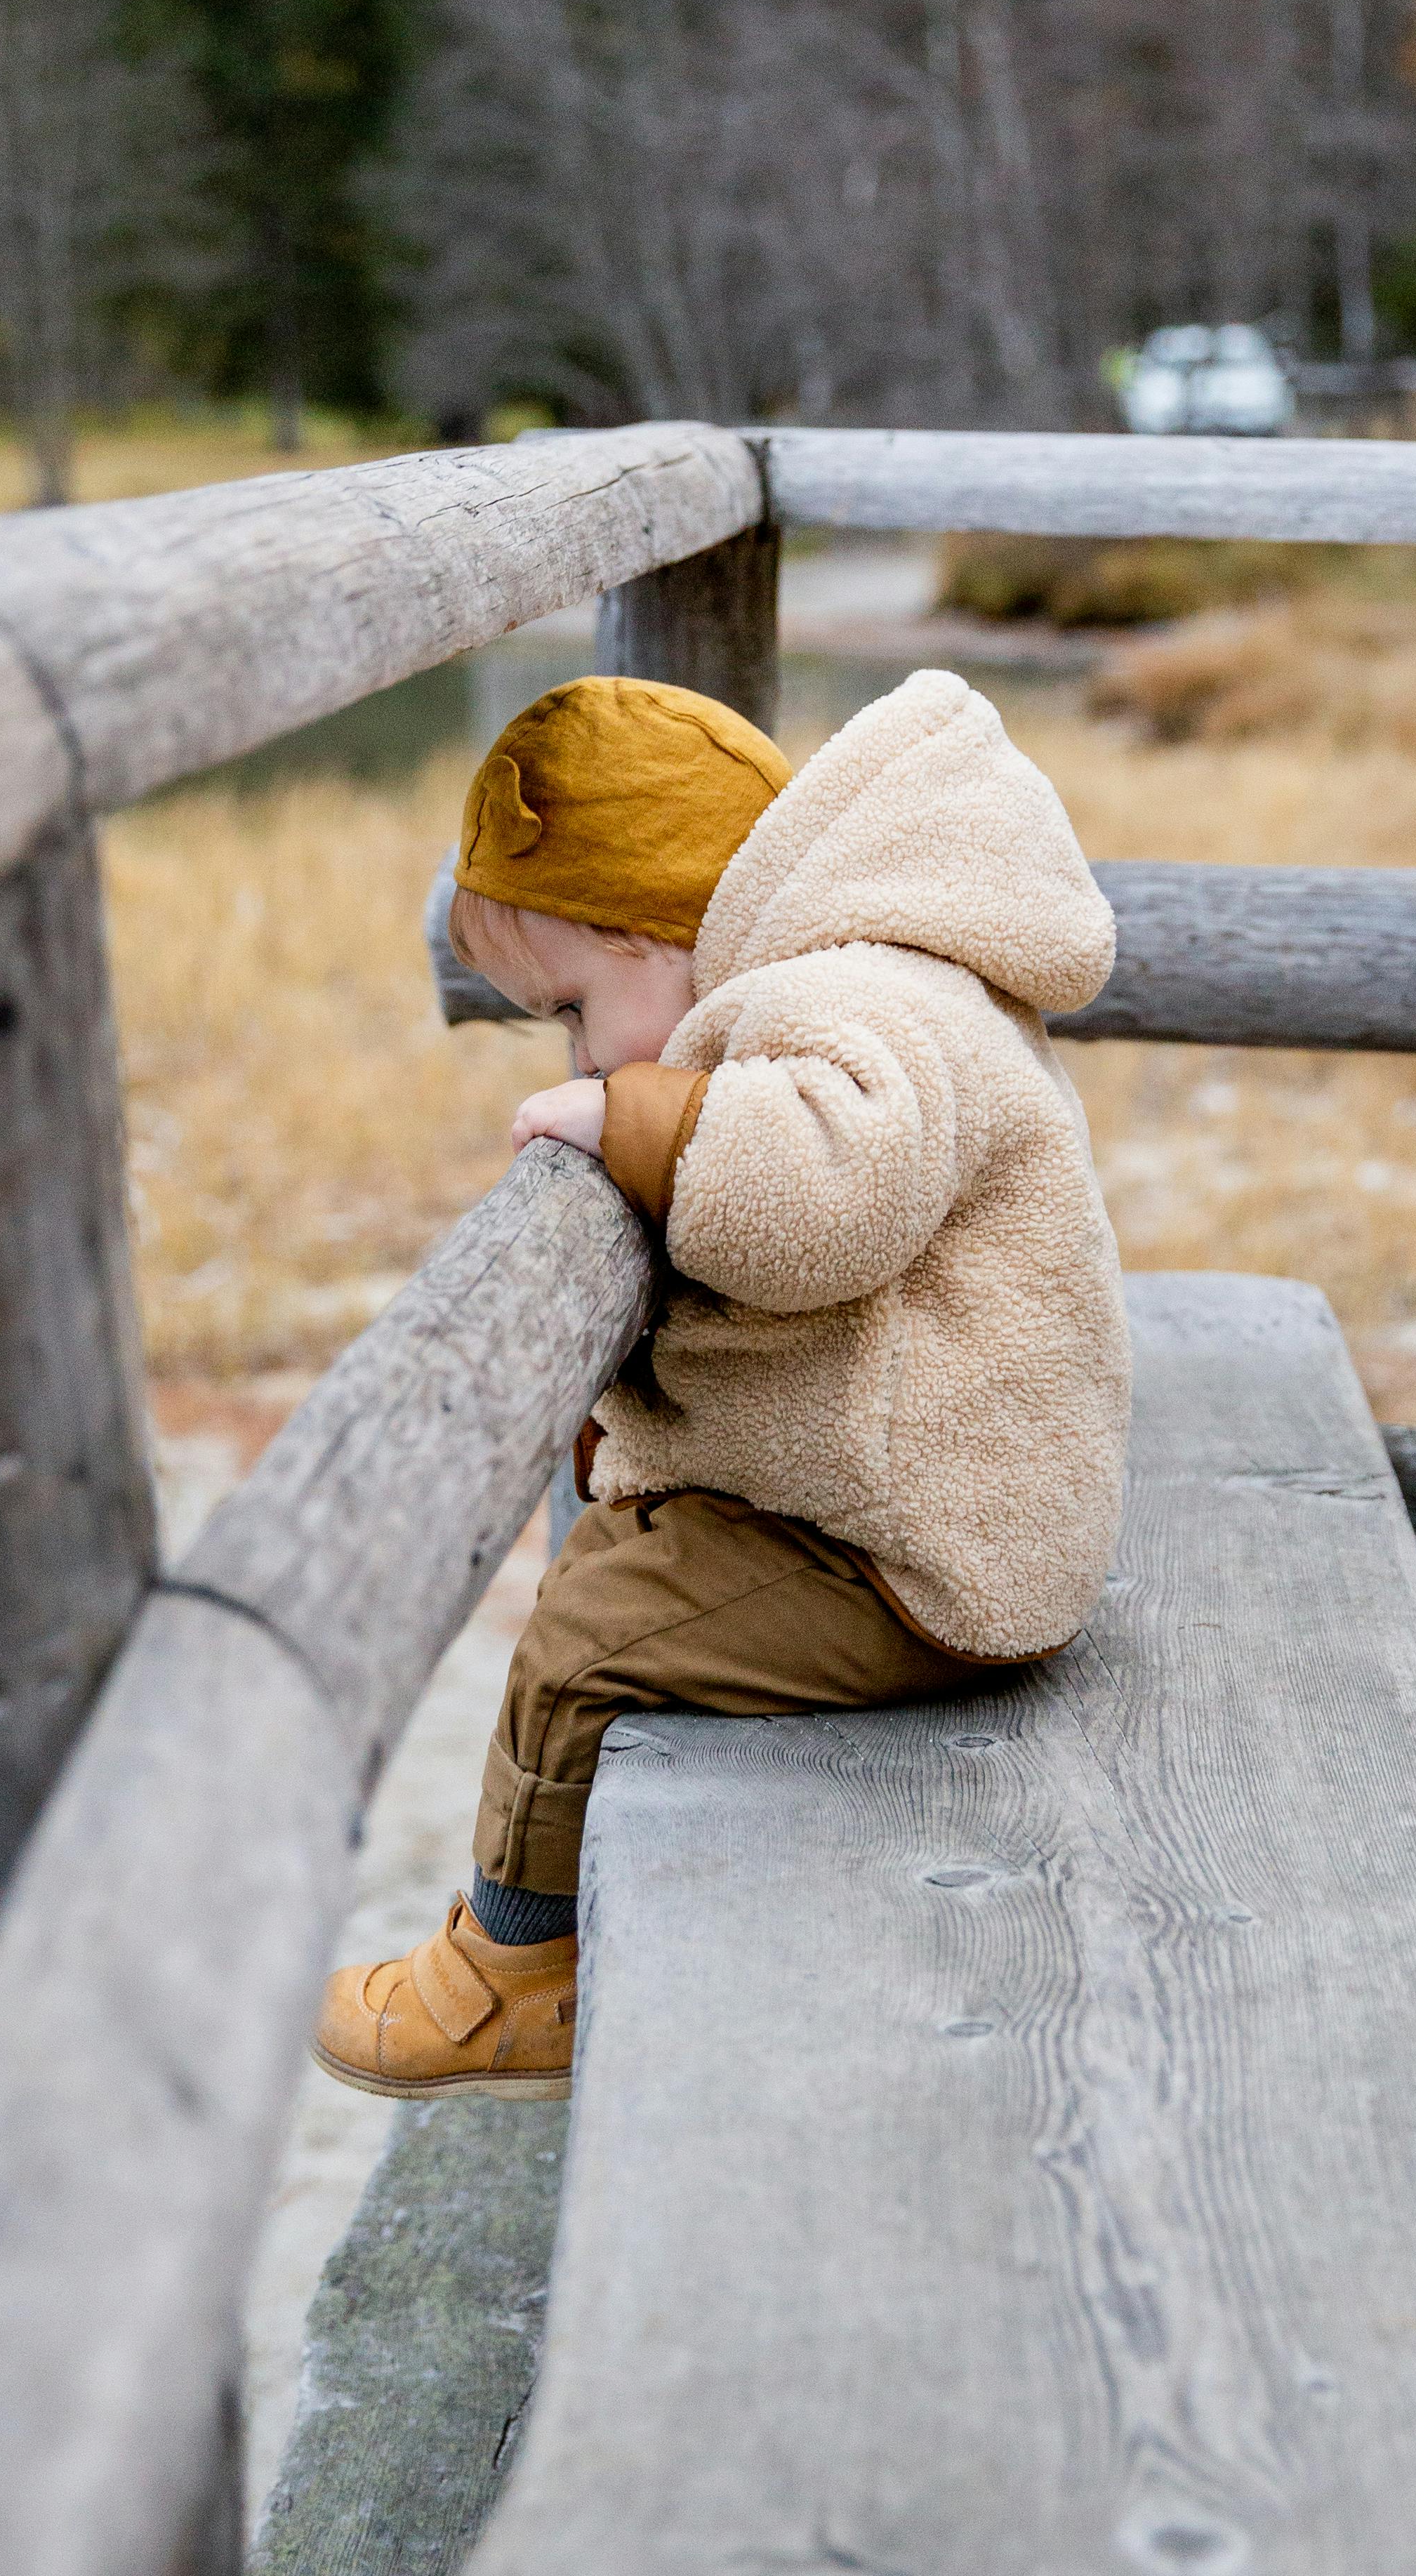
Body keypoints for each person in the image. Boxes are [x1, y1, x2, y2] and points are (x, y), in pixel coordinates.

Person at [312, 667, 1129, 2101]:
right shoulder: (836, 980)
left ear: (661, 931)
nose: (576, 1052)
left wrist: (627, 1116)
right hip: (910, 1511)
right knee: (623, 1569)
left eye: (573, 1008)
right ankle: (543, 1934)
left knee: (583, 1644)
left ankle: (510, 1984)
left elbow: (823, 1200)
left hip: (928, 1563)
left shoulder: (862, 996)